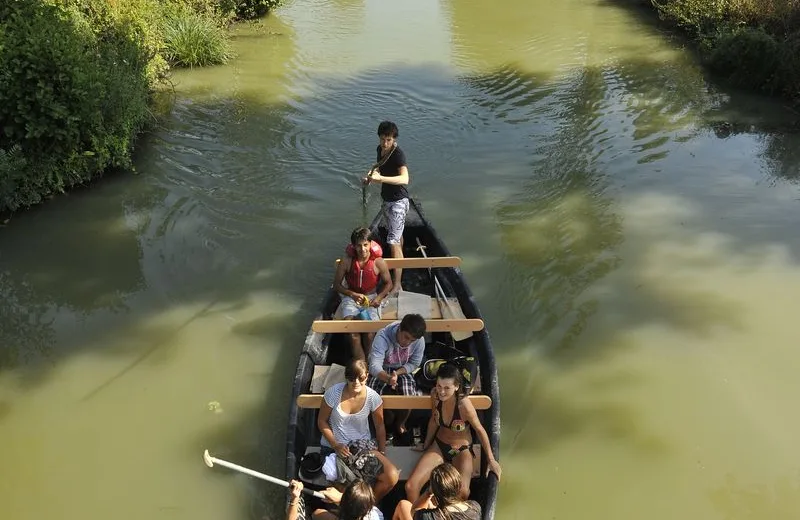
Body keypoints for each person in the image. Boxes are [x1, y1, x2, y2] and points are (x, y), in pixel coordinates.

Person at [404, 364, 501, 503]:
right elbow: (434, 420)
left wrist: (491, 460)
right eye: (439, 386)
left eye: (446, 388)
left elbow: (480, 430)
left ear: (456, 387)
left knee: (462, 492)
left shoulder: (464, 405)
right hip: (439, 446)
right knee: (410, 486)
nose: (441, 391)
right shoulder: (435, 396)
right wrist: (426, 444)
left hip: (460, 450)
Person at [318, 359, 400, 501]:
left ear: (367, 376)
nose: (356, 382)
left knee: (391, 476)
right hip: (336, 447)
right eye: (351, 378)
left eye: (361, 378)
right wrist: (335, 445)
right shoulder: (333, 394)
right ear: (346, 377)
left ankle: (369, 505)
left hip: (363, 446)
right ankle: (355, 506)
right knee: (348, 488)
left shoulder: (372, 397)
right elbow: (321, 421)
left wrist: (382, 452)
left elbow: (380, 426)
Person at [333, 227, 393, 360]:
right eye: (359, 246)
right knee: (352, 332)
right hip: (350, 298)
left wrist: (378, 298)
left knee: (370, 333)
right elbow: (336, 285)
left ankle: (369, 361)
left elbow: (389, 283)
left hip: (371, 299)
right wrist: (352, 294)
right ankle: (361, 365)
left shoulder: (379, 262)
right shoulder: (346, 261)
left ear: (371, 244)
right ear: (354, 246)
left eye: (365, 245)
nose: (363, 249)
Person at [363, 121, 409, 293]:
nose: (385, 143)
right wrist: (370, 177)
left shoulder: (398, 155)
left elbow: (405, 179)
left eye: (388, 140)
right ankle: (400, 260)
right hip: (387, 199)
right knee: (397, 238)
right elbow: (379, 170)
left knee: (393, 241)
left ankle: (397, 284)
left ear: (394, 139)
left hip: (398, 201)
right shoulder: (380, 150)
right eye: (382, 139)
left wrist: (380, 180)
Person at [367, 314, 426, 436]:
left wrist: (397, 373)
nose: (408, 343)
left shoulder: (419, 341)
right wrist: (388, 378)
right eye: (406, 337)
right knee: (373, 397)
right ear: (399, 328)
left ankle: (401, 423)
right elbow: (374, 366)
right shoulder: (383, 336)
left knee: (409, 395)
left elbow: (414, 363)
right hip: (382, 369)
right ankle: (380, 425)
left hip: (402, 369)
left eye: (412, 340)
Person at [392, 463, 481, 520]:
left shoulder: (429, 516)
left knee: (403, 505)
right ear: (458, 485)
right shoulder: (475, 507)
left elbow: (414, 511)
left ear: (434, 490)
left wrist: (428, 492)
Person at [286, 479, 384, 520]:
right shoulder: (375, 514)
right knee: (317, 513)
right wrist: (340, 499)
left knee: (317, 514)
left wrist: (295, 498)